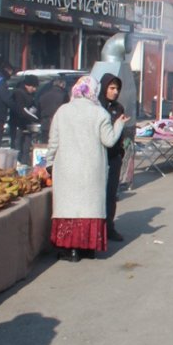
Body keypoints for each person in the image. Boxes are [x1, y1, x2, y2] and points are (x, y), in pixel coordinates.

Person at [47, 76, 126, 261]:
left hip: (67, 169)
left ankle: (70, 250)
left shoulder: (62, 111)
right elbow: (109, 140)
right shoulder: (100, 113)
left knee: (69, 209)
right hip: (91, 171)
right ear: (95, 91)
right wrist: (119, 124)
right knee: (88, 210)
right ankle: (87, 249)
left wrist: (49, 163)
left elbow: (53, 142)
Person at [98, 73, 129, 242]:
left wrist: (121, 151)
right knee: (97, 194)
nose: (115, 92)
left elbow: (120, 133)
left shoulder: (119, 108)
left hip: (113, 157)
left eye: (117, 88)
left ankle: (109, 227)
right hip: (98, 157)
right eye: (112, 88)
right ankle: (96, 229)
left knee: (111, 194)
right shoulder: (96, 107)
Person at [8, 75, 40, 165]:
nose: (35, 89)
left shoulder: (30, 94)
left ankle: (24, 164)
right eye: (33, 87)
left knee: (26, 148)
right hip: (18, 124)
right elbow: (23, 110)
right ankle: (16, 164)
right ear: (28, 85)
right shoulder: (19, 93)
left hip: (26, 125)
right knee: (17, 146)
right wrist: (37, 119)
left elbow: (32, 107)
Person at [37, 75, 70, 143]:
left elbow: (38, 111)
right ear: (61, 84)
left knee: (45, 145)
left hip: (45, 124)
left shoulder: (43, 95)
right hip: (59, 125)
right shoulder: (64, 96)